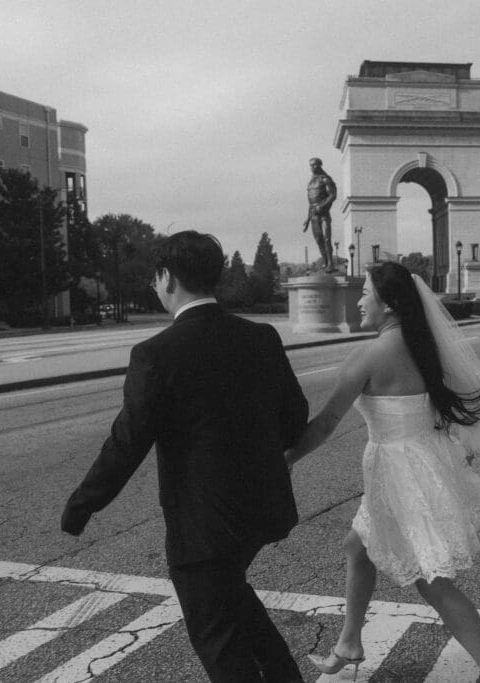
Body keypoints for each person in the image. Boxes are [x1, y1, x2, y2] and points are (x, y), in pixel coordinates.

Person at [60, 230, 309, 683]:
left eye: (156, 278)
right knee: (234, 600)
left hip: (203, 525)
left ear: (167, 277)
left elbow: (127, 442)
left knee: (217, 637)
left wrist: (82, 504)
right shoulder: (261, 337)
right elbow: (295, 418)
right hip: (262, 507)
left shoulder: (156, 354)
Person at [285, 262, 480, 683]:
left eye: (365, 294)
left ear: (389, 303)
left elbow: (324, 423)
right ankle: (350, 641)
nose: (358, 301)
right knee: (357, 547)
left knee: (432, 579)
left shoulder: (369, 355)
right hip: (421, 463)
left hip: (400, 474)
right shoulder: (423, 345)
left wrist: (284, 461)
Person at [304, 157, 337, 272]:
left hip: (324, 215)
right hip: (313, 215)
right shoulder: (311, 182)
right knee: (318, 239)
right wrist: (307, 220)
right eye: (311, 165)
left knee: (326, 238)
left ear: (320, 165)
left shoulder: (325, 179)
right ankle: (325, 261)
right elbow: (310, 203)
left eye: (314, 165)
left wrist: (322, 206)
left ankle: (331, 264)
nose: (312, 167)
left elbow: (332, 195)